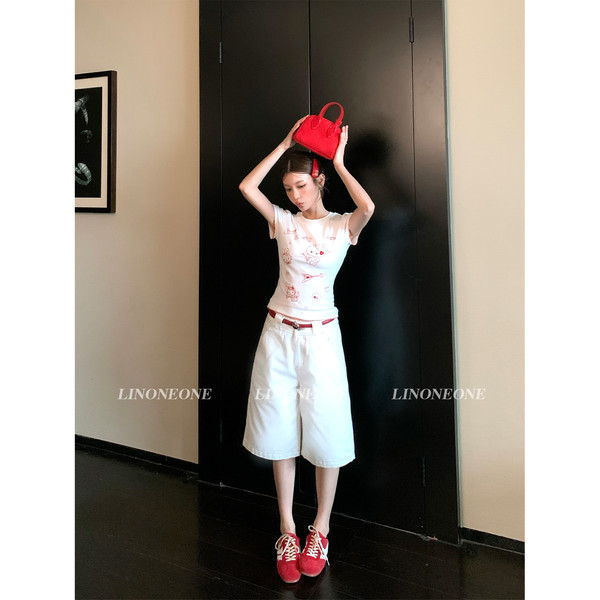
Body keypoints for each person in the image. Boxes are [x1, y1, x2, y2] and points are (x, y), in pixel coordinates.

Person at [239, 116, 375, 583]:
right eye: (288, 189)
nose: (294, 195)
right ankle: (287, 530)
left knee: (326, 430)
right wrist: (284, 144)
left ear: (319, 181)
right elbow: (247, 187)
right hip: (277, 333)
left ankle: (321, 529)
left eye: (301, 186)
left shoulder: (343, 226)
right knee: (278, 427)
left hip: (321, 338)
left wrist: (338, 161)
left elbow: (368, 205)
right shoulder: (282, 221)